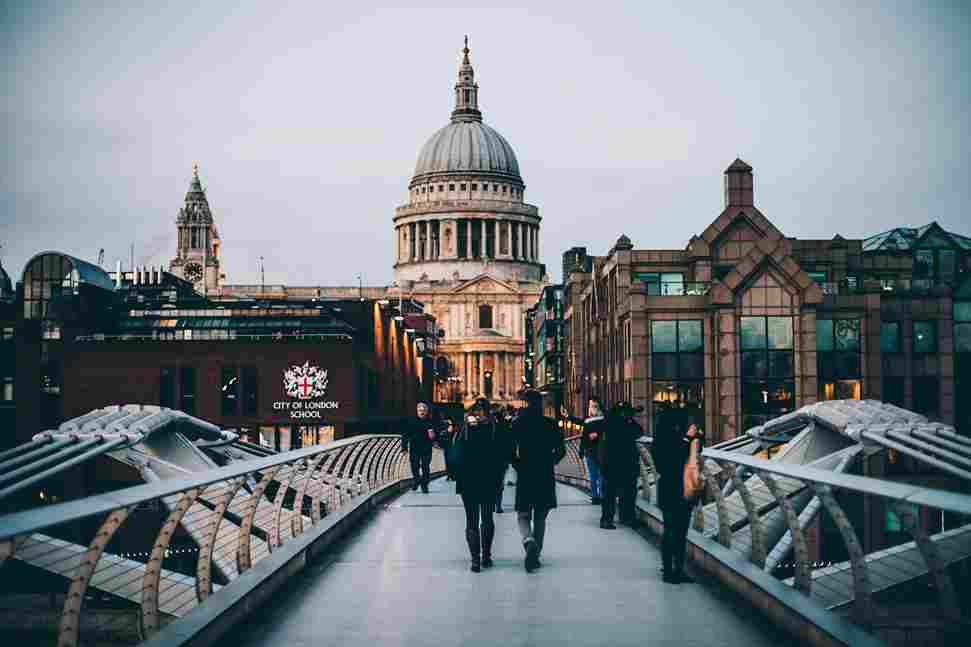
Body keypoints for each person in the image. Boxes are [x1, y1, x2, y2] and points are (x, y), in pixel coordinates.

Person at [510, 389, 566, 573]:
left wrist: (518, 464)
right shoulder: (550, 424)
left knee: (523, 514)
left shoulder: (517, 424)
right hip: (544, 473)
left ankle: (528, 541)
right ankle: (537, 554)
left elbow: (509, 450)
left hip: (526, 473)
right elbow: (561, 451)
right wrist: (550, 461)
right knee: (540, 516)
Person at [454, 398, 506, 572]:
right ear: (488, 412)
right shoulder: (495, 429)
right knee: (487, 518)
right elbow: (502, 456)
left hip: (468, 481)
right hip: (489, 480)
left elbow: (456, 454)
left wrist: (457, 476)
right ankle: (487, 556)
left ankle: (475, 561)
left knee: (471, 520)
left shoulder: (464, 429)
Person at [651, 409, 704, 584]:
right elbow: (669, 462)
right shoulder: (663, 441)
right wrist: (687, 439)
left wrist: (696, 438)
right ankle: (668, 570)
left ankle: (678, 569)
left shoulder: (673, 437)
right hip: (672, 489)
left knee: (681, 532)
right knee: (672, 531)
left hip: (680, 490)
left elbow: (694, 454)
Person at [598, 401, 643, 529]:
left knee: (621, 492)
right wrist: (628, 420)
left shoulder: (613, 421)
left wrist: (628, 419)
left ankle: (616, 518)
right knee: (616, 493)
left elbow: (639, 431)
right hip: (617, 463)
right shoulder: (614, 422)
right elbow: (637, 432)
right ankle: (615, 518)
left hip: (620, 463)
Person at [400, 401, 438, 493]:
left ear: (427, 411)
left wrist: (434, 438)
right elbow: (405, 435)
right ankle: (416, 480)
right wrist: (404, 448)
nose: (421, 412)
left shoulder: (431, 422)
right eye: (420, 410)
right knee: (414, 466)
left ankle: (424, 485)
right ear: (417, 411)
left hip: (427, 448)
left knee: (425, 467)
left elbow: (436, 434)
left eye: (423, 410)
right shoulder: (411, 421)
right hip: (414, 448)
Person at [580, 396, 606, 504]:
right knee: (594, 475)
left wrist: (598, 434)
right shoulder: (588, 420)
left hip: (600, 451)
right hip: (590, 451)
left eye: (594, 405)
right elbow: (584, 436)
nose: (592, 407)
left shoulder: (604, 419)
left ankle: (599, 496)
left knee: (598, 474)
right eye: (591, 405)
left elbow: (606, 431)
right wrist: (581, 450)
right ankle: (597, 496)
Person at [493, 405, 512, 513]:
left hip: (491, 458)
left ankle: (493, 504)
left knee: (492, 482)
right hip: (502, 458)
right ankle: (498, 505)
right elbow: (509, 442)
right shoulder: (506, 426)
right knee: (499, 482)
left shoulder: (489, 426)